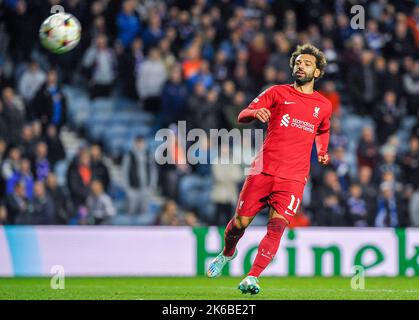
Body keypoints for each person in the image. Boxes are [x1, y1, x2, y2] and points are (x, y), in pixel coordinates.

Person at [207, 44, 331, 295]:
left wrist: (321, 151)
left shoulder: (324, 105)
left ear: (317, 72)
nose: (300, 66)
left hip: (294, 177)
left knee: (277, 226)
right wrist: (255, 112)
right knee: (240, 223)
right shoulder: (276, 92)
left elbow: (324, 130)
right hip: (263, 170)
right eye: (297, 62)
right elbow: (241, 115)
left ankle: (252, 277)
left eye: (306, 63)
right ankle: (228, 252)